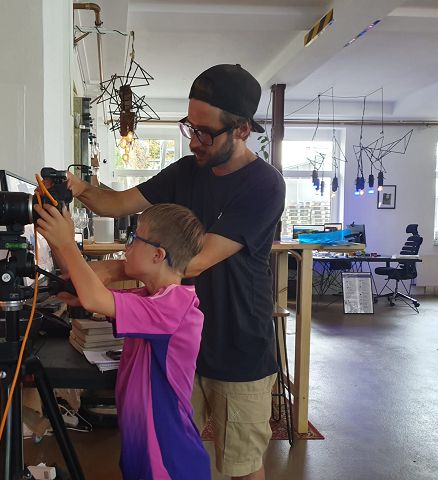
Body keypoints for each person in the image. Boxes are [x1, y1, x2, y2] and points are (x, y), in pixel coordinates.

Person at [64, 64, 286, 480]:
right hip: (183, 347)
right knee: (181, 457)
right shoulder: (188, 170)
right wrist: (80, 189)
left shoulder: (264, 185)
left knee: (240, 465)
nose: (195, 140)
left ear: (241, 130)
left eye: (206, 131)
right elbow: (118, 203)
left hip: (239, 345)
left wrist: (107, 271)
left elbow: (193, 261)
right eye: (190, 126)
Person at [36, 202, 211, 480]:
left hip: (167, 456)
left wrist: (67, 243)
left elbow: (96, 298)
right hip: (143, 446)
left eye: (134, 239)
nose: (127, 247)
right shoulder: (150, 298)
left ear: (158, 254)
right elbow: (92, 294)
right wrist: (61, 242)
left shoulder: (173, 307)